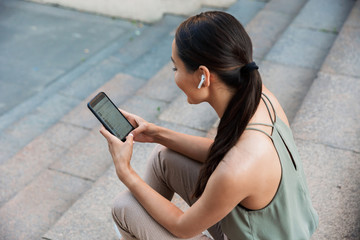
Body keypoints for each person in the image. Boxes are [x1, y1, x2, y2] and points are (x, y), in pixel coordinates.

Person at [100, 11, 319, 240]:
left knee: (124, 207)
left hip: (251, 232)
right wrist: (156, 133)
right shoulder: (262, 97)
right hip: (269, 228)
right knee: (162, 157)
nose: (175, 76)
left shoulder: (239, 166)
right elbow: (225, 152)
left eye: (176, 68)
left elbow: (183, 227)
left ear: (203, 76)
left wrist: (125, 171)